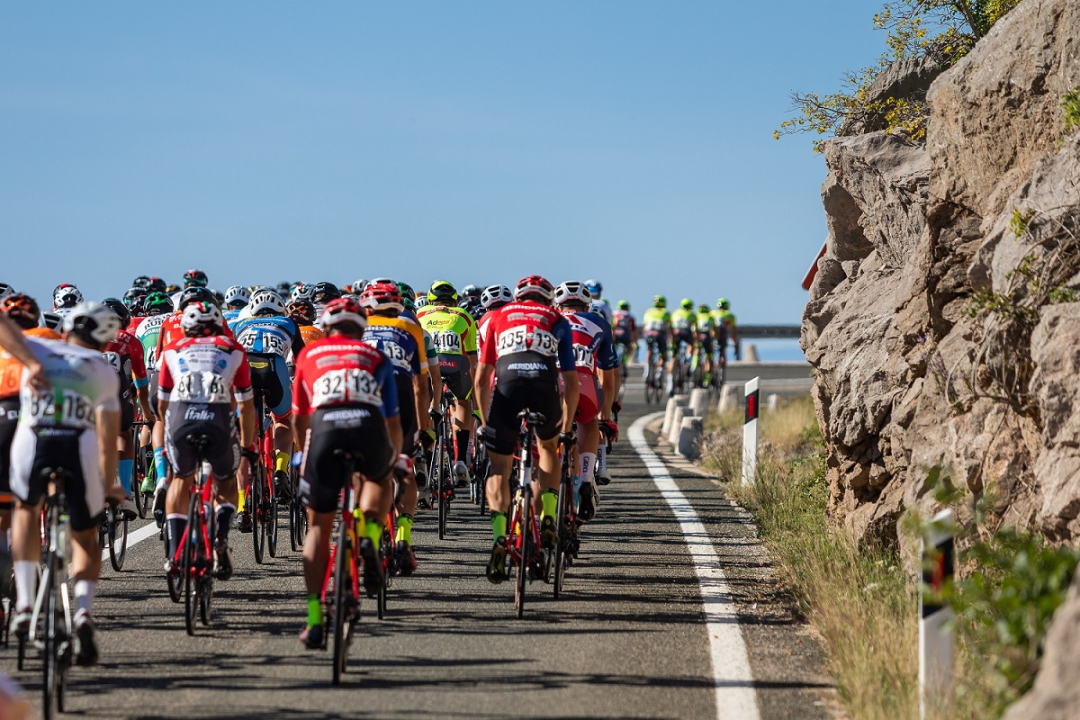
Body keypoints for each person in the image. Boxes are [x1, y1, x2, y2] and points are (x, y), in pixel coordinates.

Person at [10, 303, 124, 666]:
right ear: (104, 341)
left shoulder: (37, 346)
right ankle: (83, 614)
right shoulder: (103, 369)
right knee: (86, 535)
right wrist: (109, 487)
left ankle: (25, 605)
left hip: (34, 439)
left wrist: (30, 361)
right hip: (80, 445)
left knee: (26, 508)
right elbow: (108, 440)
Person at [291, 297, 402, 649]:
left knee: (319, 527)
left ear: (326, 327)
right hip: (367, 426)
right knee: (379, 478)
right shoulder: (375, 357)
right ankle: (369, 532)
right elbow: (393, 420)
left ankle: (313, 618)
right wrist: (393, 457)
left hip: (324, 431)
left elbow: (298, 418)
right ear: (361, 328)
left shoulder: (309, 355)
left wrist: (302, 452)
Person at [474, 275, 578, 582]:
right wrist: (566, 426)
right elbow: (570, 382)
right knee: (547, 448)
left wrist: (483, 420)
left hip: (507, 387)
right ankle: (547, 515)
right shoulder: (556, 318)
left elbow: (481, 379)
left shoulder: (498, 316)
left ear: (518, 299)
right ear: (548, 299)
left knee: (498, 468)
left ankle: (498, 536)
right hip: (544, 386)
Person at [158, 301, 256, 581]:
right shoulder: (233, 348)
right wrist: (248, 449)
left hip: (180, 418)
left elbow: (162, 406)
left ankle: (174, 554)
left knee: (181, 479)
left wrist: (169, 441)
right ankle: (220, 537)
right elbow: (246, 405)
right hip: (217, 420)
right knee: (225, 481)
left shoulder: (171, 350)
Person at [359, 282, 430, 575]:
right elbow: (420, 386)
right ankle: (404, 537)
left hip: (363, 392)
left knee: (365, 471)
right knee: (406, 468)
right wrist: (423, 426)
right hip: (400, 391)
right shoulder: (410, 325)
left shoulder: (357, 323)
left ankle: (370, 535)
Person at [233, 288, 305, 527]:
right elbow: (302, 359)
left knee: (246, 439)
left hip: (243, 372)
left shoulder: (241, 325)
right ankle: (281, 470)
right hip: (274, 369)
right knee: (284, 420)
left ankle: (243, 505)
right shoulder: (288, 322)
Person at [554, 282, 619, 521]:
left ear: (557, 304)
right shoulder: (599, 322)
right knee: (589, 422)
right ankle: (586, 478)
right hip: (584, 384)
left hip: (553, 385)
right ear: (587, 304)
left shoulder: (548, 320)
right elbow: (608, 378)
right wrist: (606, 416)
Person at [417, 281, 478, 488]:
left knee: (424, 400)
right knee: (462, 402)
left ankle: (423, 456)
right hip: (456, 366)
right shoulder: (464, 315)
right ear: (454, 300)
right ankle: (460, 459)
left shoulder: (421, 314)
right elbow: (472, 359)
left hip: (429, 365)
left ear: (430, 300)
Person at [642, 295, 671, 381]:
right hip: (660, 334)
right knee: (662, 353)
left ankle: (646, 370)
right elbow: (668, 327)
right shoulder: (665, 312)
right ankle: (660, 371)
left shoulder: (648, 312)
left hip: (649, 334)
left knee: (649, 350)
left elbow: (644, 327)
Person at [612, 300, 638, 375]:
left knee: (613, 349)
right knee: (629, 348)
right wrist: (635, 342)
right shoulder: (630, 315)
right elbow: (633, 330)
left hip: (616, 334)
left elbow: (611, 327)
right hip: (625, 335)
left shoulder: (614, 314)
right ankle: (624, 362)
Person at [712, 298, 740, 362]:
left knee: (709, 352)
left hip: (713, 333)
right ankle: (722, 364)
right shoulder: (730, 315)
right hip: (723, 333)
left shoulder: (712, 313)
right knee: (723, 351)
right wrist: (735, 342)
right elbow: (733, 330)